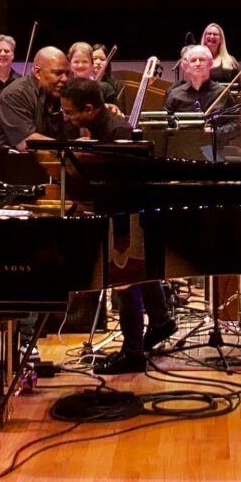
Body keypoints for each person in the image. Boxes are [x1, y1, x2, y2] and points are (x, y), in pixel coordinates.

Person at [62, 79, 176, 370]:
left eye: (71, 112)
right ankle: (161, 321)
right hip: (127, 214)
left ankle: (133, 353)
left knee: (125, 284)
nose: (69, 118)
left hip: (128, 217)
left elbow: (123, 184)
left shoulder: (117, 132)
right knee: (138, 275)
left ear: (89, 109)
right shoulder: (105, 128)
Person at [162, 44, 235, 160]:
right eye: (193, 60)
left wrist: (216, 132)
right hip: (181, 153)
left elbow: (236, 125)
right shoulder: (175, 94)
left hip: (212, 151)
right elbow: (164, 126)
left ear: (210, 64)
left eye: (201, 60)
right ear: (187, 65)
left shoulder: (222, 93)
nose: (197, 63)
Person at [0, 46, 70, 150]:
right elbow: (26, 143)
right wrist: (71, 147)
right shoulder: (16, 94)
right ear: (37, 72)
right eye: (57, 73)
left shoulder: (59, 94)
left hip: (40, 161)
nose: (65, 79)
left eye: (67, 73)